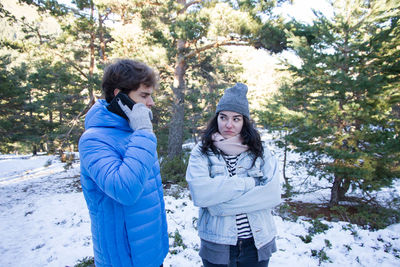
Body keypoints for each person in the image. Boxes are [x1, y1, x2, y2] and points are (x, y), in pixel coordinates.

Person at [79, 59, 168, 267]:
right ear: (120, 97)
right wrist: (144, 132)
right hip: (123, 259)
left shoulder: (134, 132)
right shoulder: (94, 139)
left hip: (152, 253)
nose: (151, 103)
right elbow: (125, 190)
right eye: (144, 96)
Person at [185, 83, 281, 267]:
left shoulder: (260, 151)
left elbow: (272, 194)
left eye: (236, 119)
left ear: (244, 121)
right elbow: (201, 194)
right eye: (223, 117)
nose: (229, 125)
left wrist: (220, 206)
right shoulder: (202, 151)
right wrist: (250, 184)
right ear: (216, 118)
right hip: (218, 244)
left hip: (257, 242)